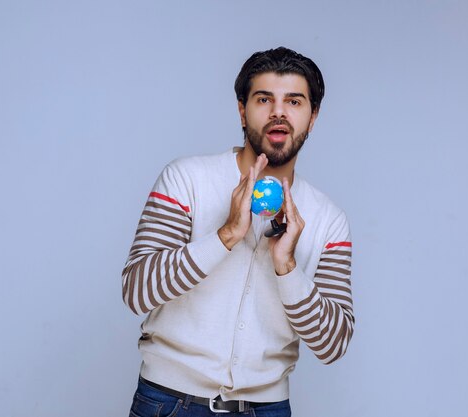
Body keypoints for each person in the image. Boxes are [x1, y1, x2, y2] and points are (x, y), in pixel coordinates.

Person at [122, 46, 354, 417]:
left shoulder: (329, 220)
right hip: (168, 402)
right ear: (242, 110)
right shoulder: (187, 179)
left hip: (266, 408)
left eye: (294, 101)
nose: (279, 112)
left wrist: (287, 266)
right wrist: (226, 234)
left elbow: (333, 344)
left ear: (313, 117)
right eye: (264, 99)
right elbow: (136, 292)